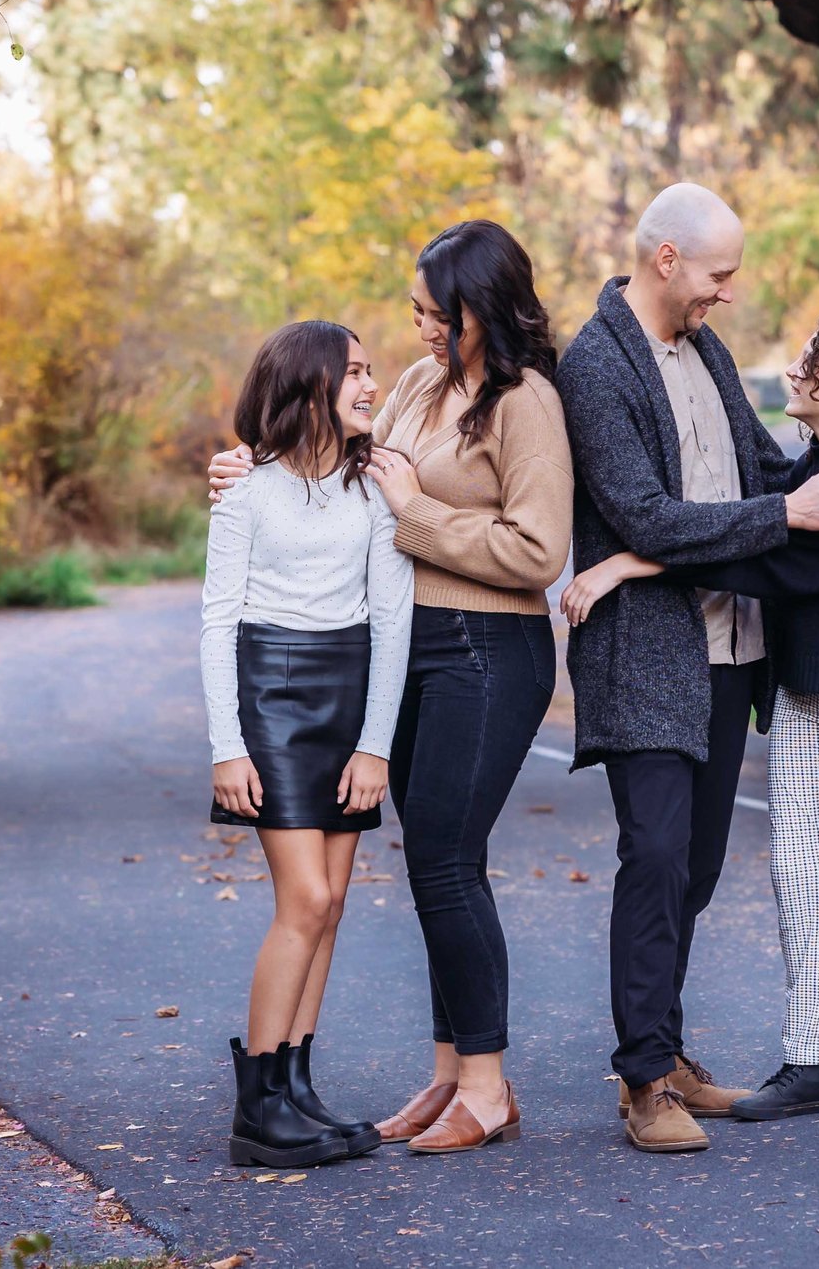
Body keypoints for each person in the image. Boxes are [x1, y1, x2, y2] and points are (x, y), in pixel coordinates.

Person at [208, 222, 571, 1154]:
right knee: (431, 863)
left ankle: (487, 1086)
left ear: (474, 308)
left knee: (447, 859)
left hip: (491, 647)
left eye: (428, 310)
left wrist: (418, 513)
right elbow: (340, 458)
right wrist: (254, 465)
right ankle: (450, 1072)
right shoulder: (418, 385)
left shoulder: (525, 401)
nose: (415, 329)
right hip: (408, 652)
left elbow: (538, 549)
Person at [552, 182, 819, 1154]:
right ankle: (644, 1078)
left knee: (693, 867)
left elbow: (758, 467)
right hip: (643, 651)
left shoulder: (706, 351)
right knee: (653, 856)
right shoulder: (594, 364)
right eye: (717, 274)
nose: (725, 293)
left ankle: (668, 1048)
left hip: (730, 649)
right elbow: (645, 514)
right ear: (665, 259)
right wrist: (787, 516)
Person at [203, 320, 414, 1170]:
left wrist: (376, 746)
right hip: (272, 695)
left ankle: (294, 1084)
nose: (371, 383)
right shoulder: (246, 490)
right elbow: (218, 620)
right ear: (309, 387)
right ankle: (256, 1109)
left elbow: (391, 619)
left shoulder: (375, 488)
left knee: (331, 900)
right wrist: (228, 745)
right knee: (305, 901)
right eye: (355, 372)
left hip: (349, 691)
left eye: (372, 369)